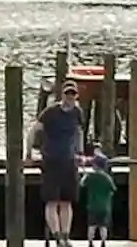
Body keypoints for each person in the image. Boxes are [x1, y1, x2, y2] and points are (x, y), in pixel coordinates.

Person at [30, 80, 87, 247]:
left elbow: (79, 132)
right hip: (51, 159)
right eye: (67, 94)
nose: (70, 97)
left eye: (73, 95)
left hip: (69, 160)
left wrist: (81, 152)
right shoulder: (50, 112)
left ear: (76, 96)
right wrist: (28, 153)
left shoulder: (77, 112)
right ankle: (56, 236)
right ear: (62, 95)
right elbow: (34, 130)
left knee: (67, 201)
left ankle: (66, 235)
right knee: (52, 200)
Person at [80, 141, 117, 247]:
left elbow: (82, 184)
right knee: (103, 226)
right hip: (104, 207)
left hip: (92, 206)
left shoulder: (90, 177)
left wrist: (84, 175)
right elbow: (113, 189)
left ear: (94, 165)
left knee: (91, 226)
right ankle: (103, 242)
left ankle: (90, 242)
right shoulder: (107, 178)